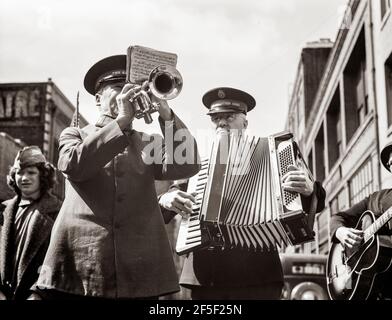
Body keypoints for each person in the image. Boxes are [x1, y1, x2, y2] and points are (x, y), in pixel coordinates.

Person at [34, 54, 200, 300]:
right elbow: (74, 165)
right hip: (80, 265)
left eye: (134, 88)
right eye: (119, 88)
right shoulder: (75, 134)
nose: (129, 94)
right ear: (99, 98)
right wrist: (122, 121)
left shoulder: (148, 142)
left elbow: (187, 164)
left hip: (136, 273)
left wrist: (165, 112)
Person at [159, 87, 326, 300]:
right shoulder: (197, 161)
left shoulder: (275, 155)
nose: (221, 123)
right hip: (205, 278)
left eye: (229, 117)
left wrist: (310, 190)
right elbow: (166, 209)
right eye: (216, 118)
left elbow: (317, 202)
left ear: (245, 123)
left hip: (258, 277)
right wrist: (165, 199)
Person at [330, 142, 392, 300]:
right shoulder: (376, 198)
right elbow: (338, 217)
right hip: (371, 290)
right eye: (390, 163)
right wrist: (341, 232)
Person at [0, 146, 60, 300]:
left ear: (44, 176)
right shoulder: (4, 209)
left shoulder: (57, 211)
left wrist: (39, 293)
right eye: (19, 172)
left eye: (31, 172)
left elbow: (61, 259)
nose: (24, 178)